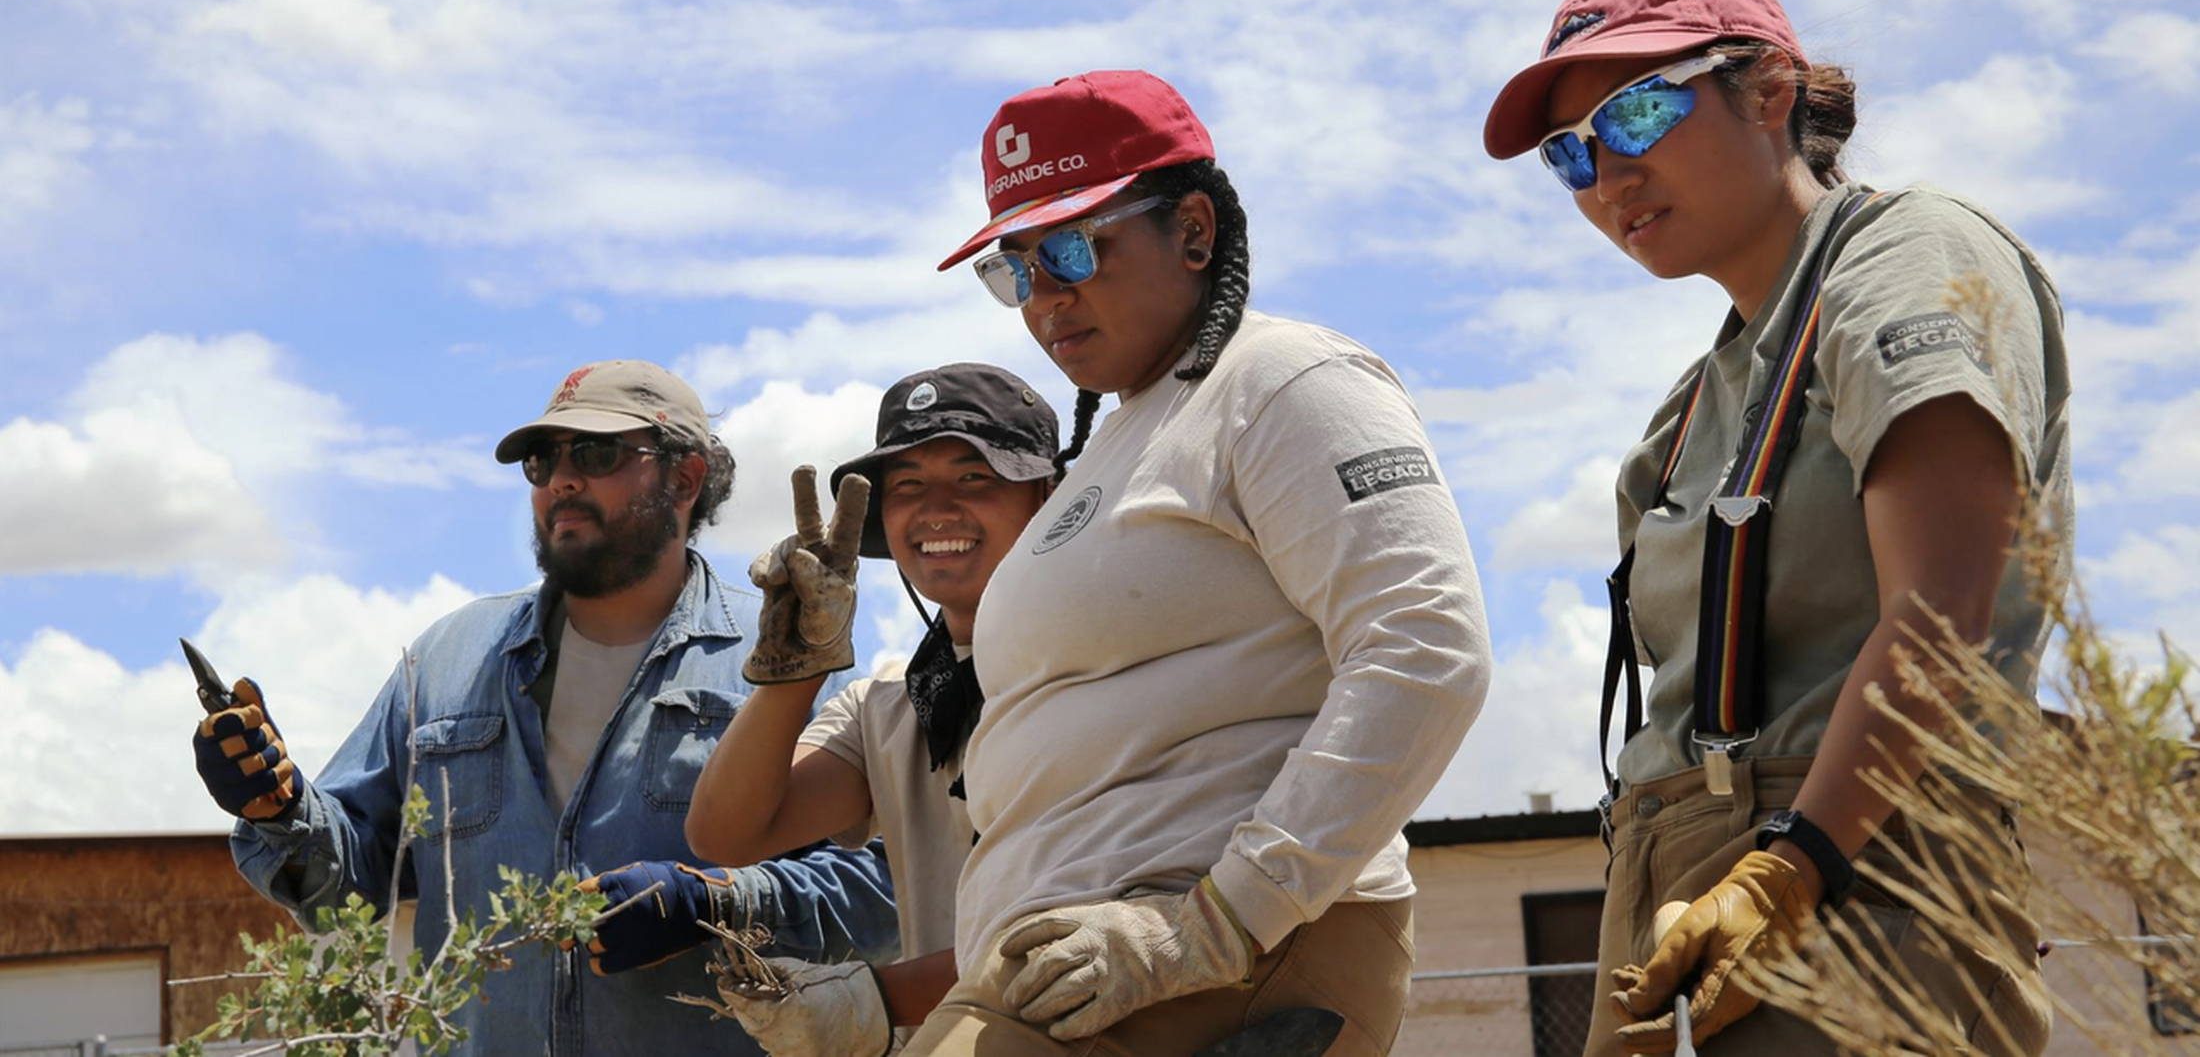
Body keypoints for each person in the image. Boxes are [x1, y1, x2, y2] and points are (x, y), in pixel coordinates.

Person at [1481, 0, 2071, 1054]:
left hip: (1834, 885)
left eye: (1638, 112)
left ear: (1770, 92)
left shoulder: (1908, 256)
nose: (1606, 173)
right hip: (1689, 912)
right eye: (1570, 153)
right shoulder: (1695, 403)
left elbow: (1941, 607)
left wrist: (1794, 868)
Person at [896, 69, 1492, 1057]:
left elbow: (1424, 647)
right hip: (1077, 970)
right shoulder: (1118, 444)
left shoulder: (1283, 380)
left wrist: (1217, 921)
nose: (1045, 297)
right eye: (1015, 269)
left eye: (1074, 248)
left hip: (1220, 955)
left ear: (1195, 231)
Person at [191, 360, 900, 1057]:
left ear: (685, 478)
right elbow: (347, 889)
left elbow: (884, 890)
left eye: (595, 453)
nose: (561, 478)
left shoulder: (785, 658)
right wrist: (279, 811)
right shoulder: (444, 661)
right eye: (541, 460)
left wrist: (714, 904)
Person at [681, 363, 1063, 1057]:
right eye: (908, 486)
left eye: (974, 477)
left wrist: (877, 1000)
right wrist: (797, 664)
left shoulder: (1106, 672)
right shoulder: (892, 706)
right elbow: (726, 834)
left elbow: (1082, 930)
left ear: (1048, 497)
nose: (938, 508)